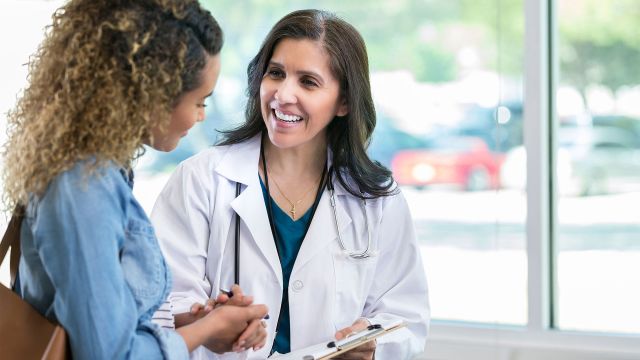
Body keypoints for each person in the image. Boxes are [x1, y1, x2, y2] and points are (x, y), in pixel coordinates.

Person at [152, 9, 430, 359]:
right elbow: (161, 301)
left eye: (308, 82)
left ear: (343, 102)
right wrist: (209, 319)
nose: (283, 94)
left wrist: (372, 346)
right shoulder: (201, 180)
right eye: (276, 73)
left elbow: (407, 318)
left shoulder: (377, 198)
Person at [1, 0, 269, 358]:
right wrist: (209, 327)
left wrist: (190, 326)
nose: (202, 116)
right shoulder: (82, 188)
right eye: (199, 101)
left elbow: (101, 320)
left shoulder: (100, 171)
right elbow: (111, 354)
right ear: (153, 96)